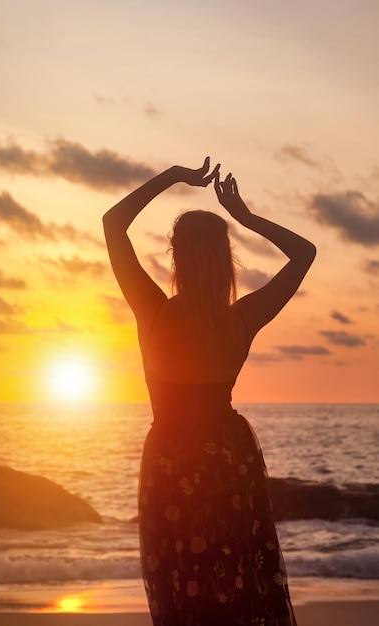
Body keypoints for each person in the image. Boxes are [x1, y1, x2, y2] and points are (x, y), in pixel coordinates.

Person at [103, 157, 316, 626]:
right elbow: (305, 254)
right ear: (225, 260)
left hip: (171, 459)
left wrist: (174, 177)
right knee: (238, 581)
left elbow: (113, 224)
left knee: (183, 583)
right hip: (228, 457)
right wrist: (246, 217)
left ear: (175, 256)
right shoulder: (241, 319)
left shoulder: (155, 313)